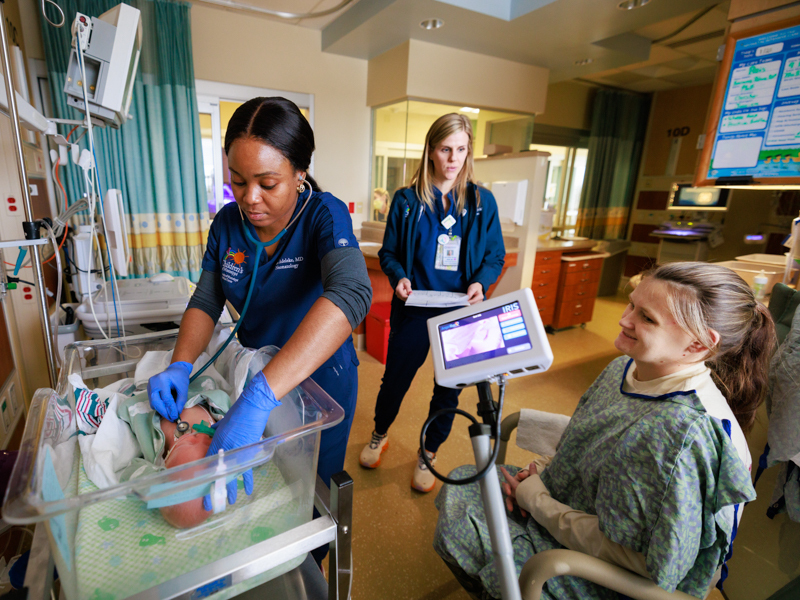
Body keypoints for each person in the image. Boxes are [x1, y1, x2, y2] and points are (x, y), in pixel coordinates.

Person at [433, 262, 776, 600]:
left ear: (698, 345)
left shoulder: (679, 434)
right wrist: (541, 473)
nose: (624, 320)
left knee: (466, 520)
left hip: (601, 574)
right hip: (563, 505)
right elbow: (590, 433)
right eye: (632, 304)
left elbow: (648, 564)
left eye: (646, 318)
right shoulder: (624, 368)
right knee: (465, 481)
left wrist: (536, 501)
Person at [146, 97, 372, 558]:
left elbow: (351, 294)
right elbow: (207, 299)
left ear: (299, 173)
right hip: (250, 378)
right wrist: (180, 364)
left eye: (267, 183)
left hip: (317, 382)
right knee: (252, 489)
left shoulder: (323, 217)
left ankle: (307, 569)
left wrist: (260, 397)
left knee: (310, 498)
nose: (249, 198)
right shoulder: (228, 224)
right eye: (238, 181)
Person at [359, 113, 505, 493]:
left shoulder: (481, 202)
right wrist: (399, 277)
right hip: (415, 307)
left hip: (460, 310)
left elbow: (494, 257)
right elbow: (389, 253)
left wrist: (480, 282)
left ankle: (430, 451)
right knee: (395, 380)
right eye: (445, 149)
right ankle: (380, 432)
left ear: (468, 150)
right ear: (431, 151)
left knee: (449, 387)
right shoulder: (407, 201)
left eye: (460, 149)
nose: (453, 159)